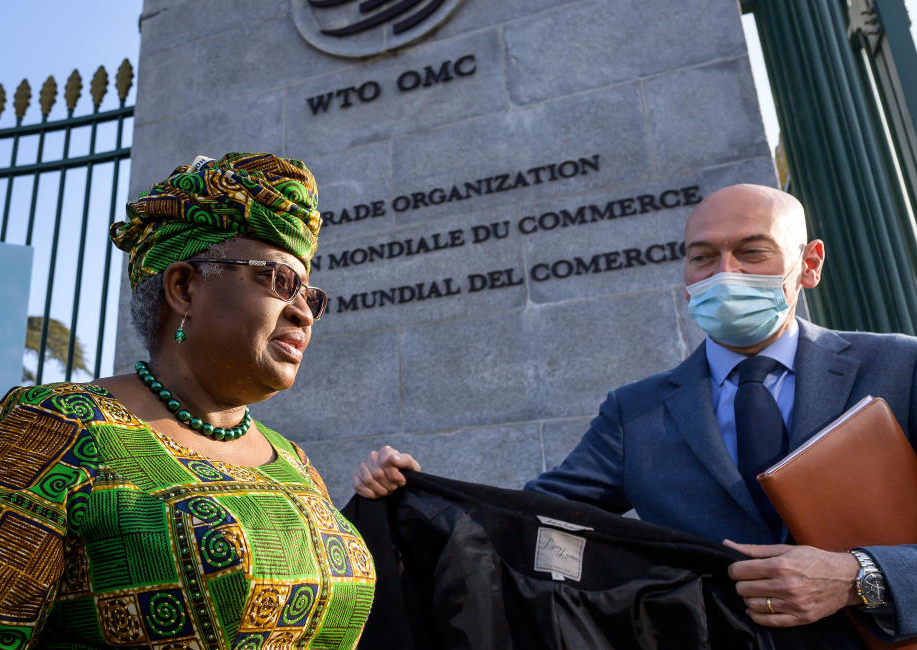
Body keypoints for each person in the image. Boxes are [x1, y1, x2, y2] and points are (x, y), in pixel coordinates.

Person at [354, 184, 917, 643]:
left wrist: (861, 577)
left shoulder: (900, 368)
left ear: (809, 263)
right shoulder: (636, 411)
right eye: (702, 257)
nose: (724, 273)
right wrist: (418, 494)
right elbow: (534, 521)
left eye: (752, 251)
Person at [0, 153, 375, 649]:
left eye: (310, 293)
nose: (304, 312)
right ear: (184, 288)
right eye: (279, 280)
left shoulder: (293, 461)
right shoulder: (59, 426)